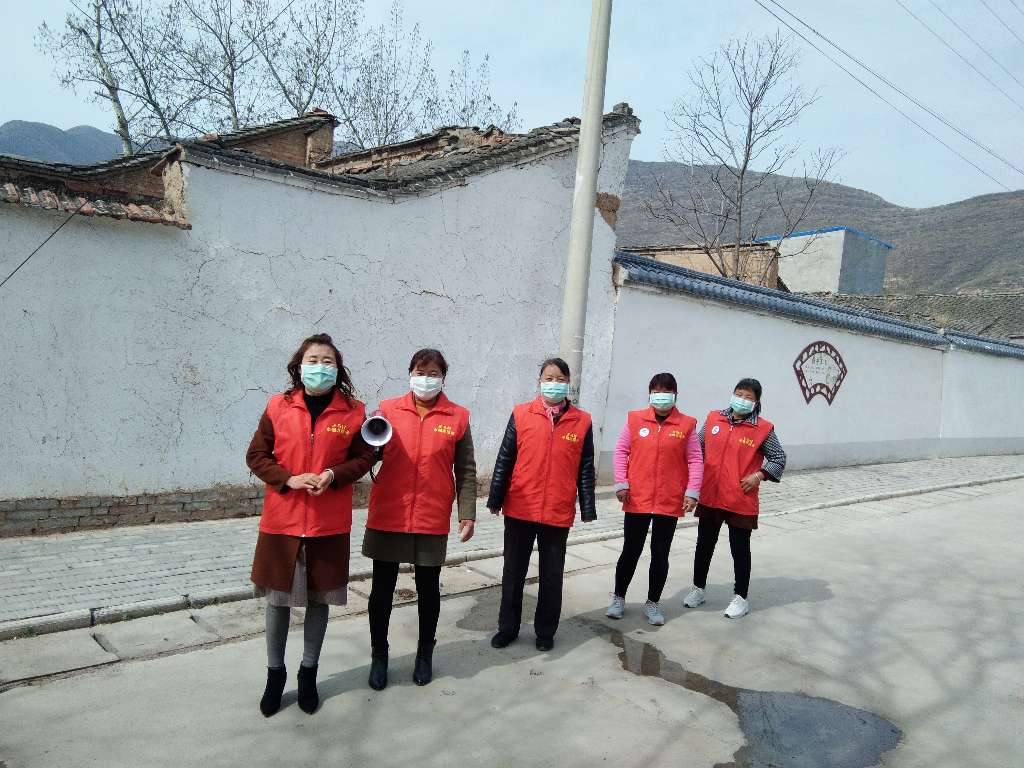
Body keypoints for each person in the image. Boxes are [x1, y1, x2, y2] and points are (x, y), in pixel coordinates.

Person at [246, 333, 375, 716]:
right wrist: (287, 478)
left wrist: (333, 475)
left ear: (338, 368)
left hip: (327, 525)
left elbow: (365, 457)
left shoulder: (354, 411)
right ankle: (274, 675)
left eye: (328, 361)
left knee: (320, 601)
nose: (320, 367)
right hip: (281, 522)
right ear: (299, 366)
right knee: (277, 603)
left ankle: (308, 673)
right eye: (313, 360)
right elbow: (256, 455)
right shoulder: (278, 406)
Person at [363, 349, 477, 690]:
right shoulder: (388, 410)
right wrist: (368, 440)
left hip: (431, 514)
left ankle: (424, 655)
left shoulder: (457, 417)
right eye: (419, 371)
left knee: (428, 590)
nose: (426, 378)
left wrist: (467, 513)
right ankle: (379, 656)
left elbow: (466, 470)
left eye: (433, 373)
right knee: (381, 590)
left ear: (443, 378)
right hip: (390, 511)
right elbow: (368, 451)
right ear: (409, 374)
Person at [487, 357, 597, 652]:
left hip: (557, 511)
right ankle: (507, 628)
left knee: (551, 576)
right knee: (513, 573)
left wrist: (588, 507)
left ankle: (545, 632)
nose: (554, 384)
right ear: (539, 382)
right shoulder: (521, 414)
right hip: (521, 506)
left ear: (568, 383)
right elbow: (505, 458)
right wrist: (495, 498)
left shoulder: (582, 421)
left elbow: (586, 467)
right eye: (549, 378)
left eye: (560, 379)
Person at [683, 378, 787, 619]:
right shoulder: (714, 419)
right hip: (711, 495)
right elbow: (697, 451)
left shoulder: (763, 429)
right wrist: (691, 486)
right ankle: (698, 589)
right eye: (739, 394)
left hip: (740, 498)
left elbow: (779, 458)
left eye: (748, 397)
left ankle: (741, 598)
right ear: (732, 394)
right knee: (703, 545)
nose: (742, 400)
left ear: (756, 402)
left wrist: (759, 475)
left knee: (739, 549)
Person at [606, 372, 703, 625]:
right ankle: (618, 598)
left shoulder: (687, 425)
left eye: (667, 391)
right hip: (637, 498)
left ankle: (652, 603)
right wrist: (621, 483)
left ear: (675, 395)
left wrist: (692, 491)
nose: (661, 396)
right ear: (650, 394)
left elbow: (695, 459)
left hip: (669, 500)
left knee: (660, 553)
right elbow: (621, 451)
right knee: (631, 550)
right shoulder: (635, 419)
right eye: (656, 391)